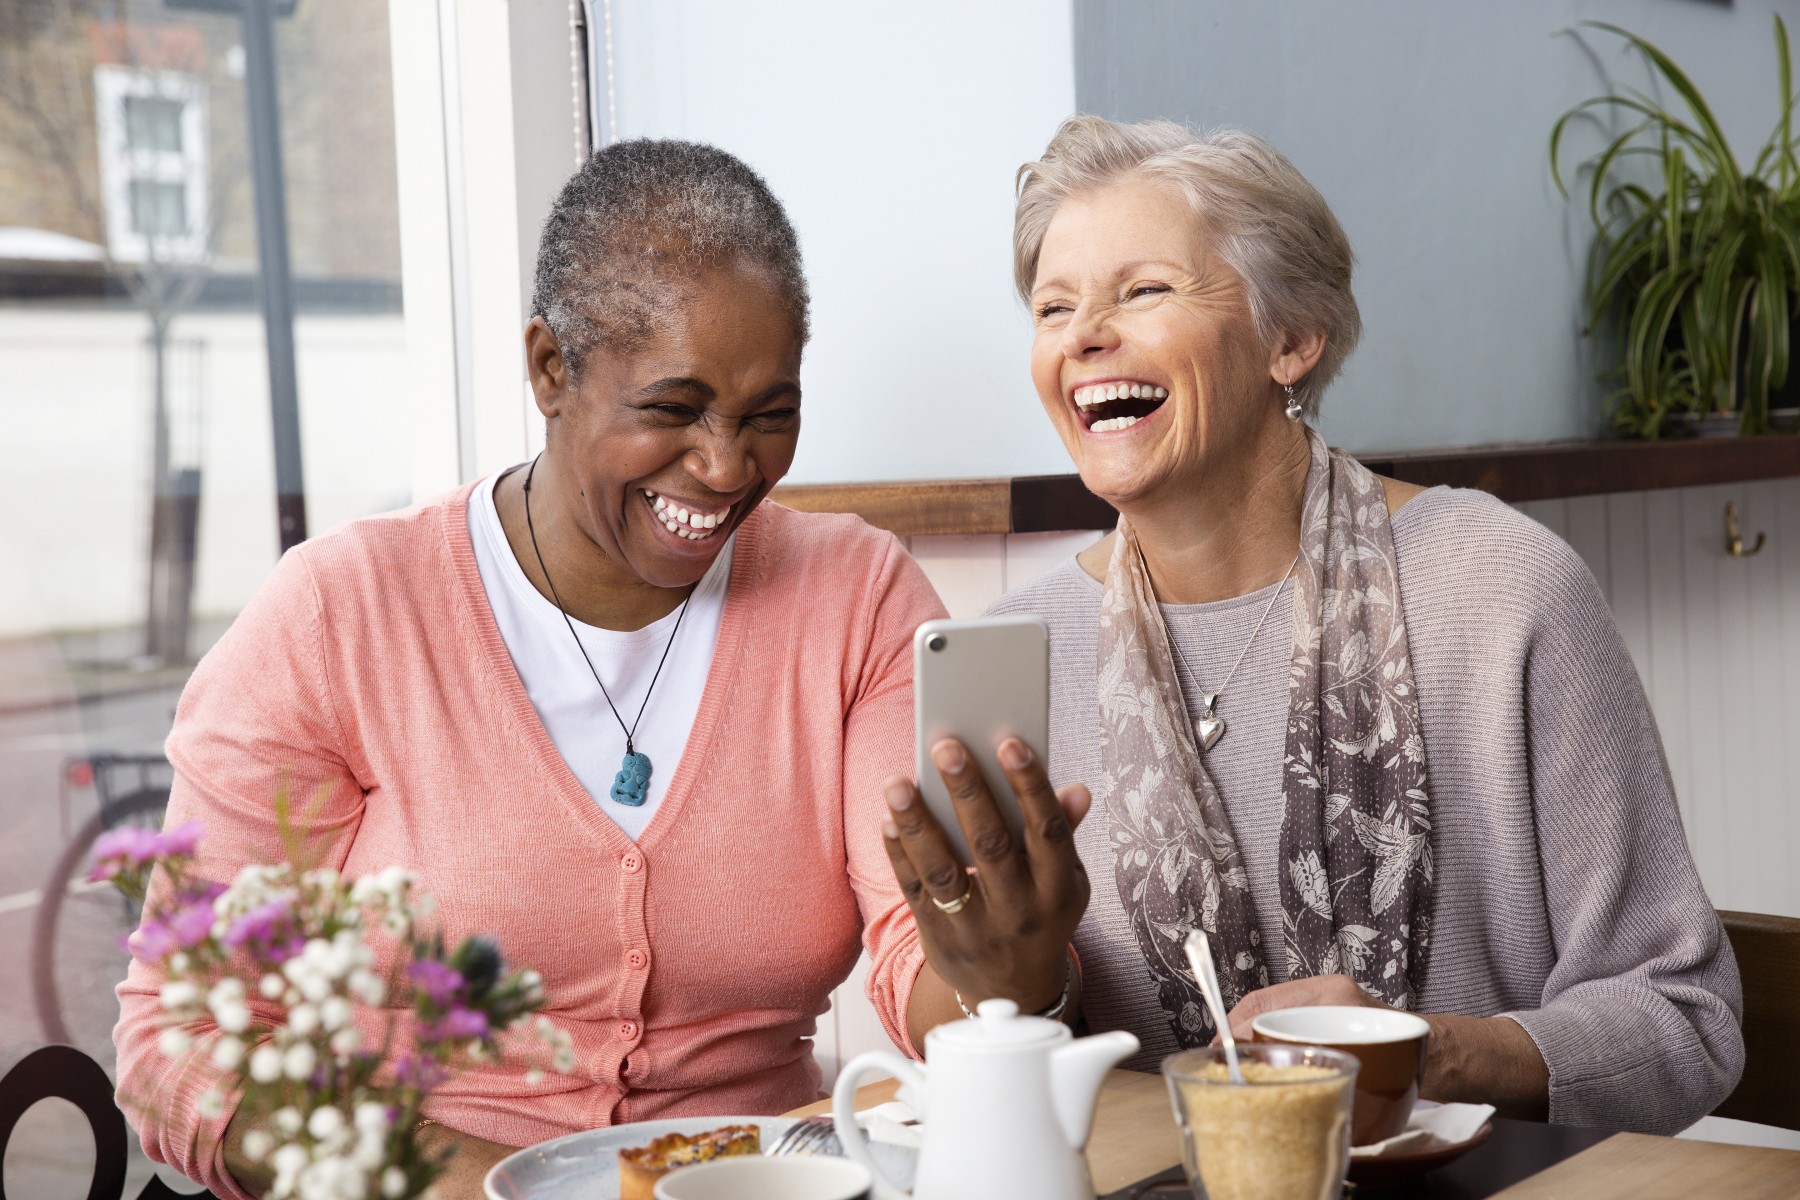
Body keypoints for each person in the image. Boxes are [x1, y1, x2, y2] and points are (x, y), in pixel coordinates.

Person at [115, 140, 969, 1200]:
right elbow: (180, 1042)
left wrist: (1002, 971)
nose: (725, 465)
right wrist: (512, 1191)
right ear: (550, 369)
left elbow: (927, 965)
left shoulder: (856, 598)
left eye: (770, 414)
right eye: (673, 407)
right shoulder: (342, 616)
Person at [882, 115, 1743, 1135]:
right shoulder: (1025, 649)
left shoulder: (1500, 587)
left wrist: (1422, 1052)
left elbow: (1686, 1025)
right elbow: (1010, 1076)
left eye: (1143, 290)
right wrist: (1024, 988)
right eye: (1053, 306)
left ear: (1291, 339)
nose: (1082, 336)